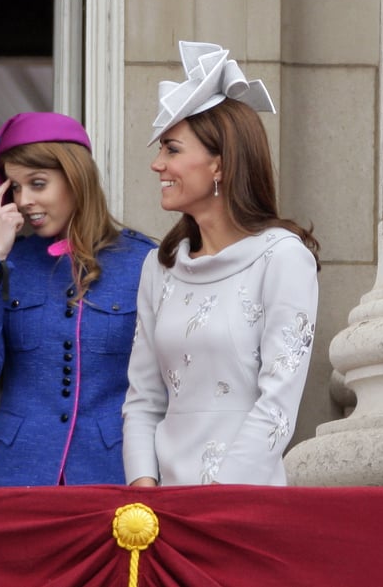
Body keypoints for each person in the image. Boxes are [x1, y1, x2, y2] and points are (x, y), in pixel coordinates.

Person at [122, 41, 320, 487]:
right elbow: (143, 399)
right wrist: (144, 488)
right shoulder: (160, 266)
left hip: (241, 502)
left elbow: (278, 405)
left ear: (220, 164)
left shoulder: (284, 258)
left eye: (172, 149)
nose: (157, 165)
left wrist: (220, 499)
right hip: (161, 509)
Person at [0, 112, 155, 486]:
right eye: (15, 187)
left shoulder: (143, 261)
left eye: (38, 183)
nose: (25, 200)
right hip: (17, 473)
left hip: (110, 472)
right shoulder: (8, 262)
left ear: (75, 179)